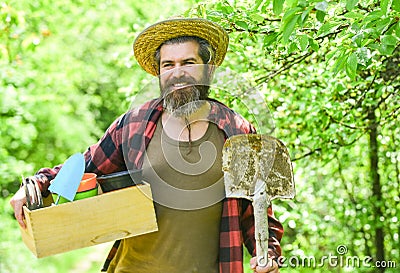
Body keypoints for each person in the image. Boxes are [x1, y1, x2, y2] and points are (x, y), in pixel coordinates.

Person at [10, 18, 283, 273]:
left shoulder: (238, 132)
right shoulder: (134, 125)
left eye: (188, 62)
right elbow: (84, 168)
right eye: (168, 65)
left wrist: (269, 253)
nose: (178, 73)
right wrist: (35, 184)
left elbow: (256, 211)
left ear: (207, 69)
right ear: (159, 73)